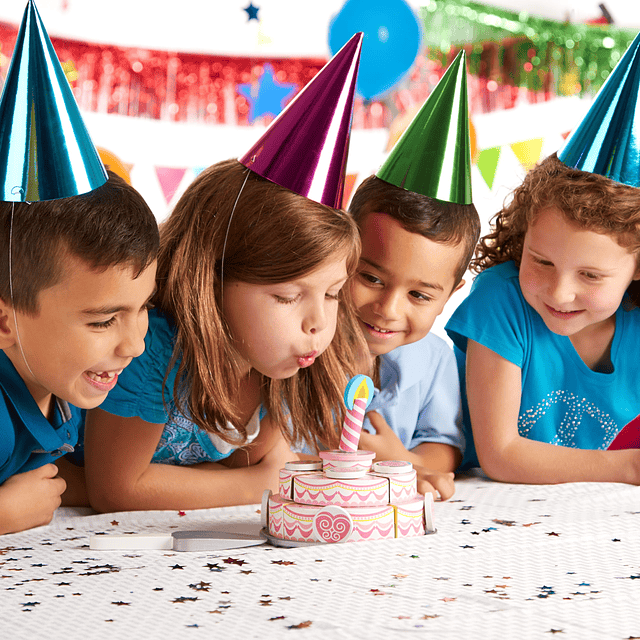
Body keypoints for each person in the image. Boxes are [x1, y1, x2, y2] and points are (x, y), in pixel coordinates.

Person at [84, 35, 366, 512]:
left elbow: (260, 463)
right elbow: (118, 490)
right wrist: (257, 484)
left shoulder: (273, 359)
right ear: (210, 277)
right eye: (286, 296)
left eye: (333, 293)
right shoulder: (152, 346)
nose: (317, 322)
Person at [445, 31, 640, 484]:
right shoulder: (502, 300)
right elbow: (500, 454)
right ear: (523, 232)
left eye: (590, 275)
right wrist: (629, 465)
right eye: (542, 261)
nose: (559, 291)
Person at [347, 51, 480, 500]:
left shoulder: (434, 360)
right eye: (372, 278)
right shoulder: (302, 347)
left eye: (420, 296)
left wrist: (404, 463)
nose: (388, 310)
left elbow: (442, 446)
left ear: (450, 295)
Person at [0, 173, 159, 534]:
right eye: (104, 322)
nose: (135, 345)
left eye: (144, 307)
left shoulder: (60, 384)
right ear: (4, 323)